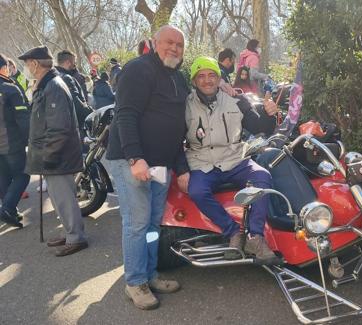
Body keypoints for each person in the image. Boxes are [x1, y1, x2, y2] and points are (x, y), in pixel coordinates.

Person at [106, 25, 188, 310]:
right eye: (169, 42)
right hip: (134, 162)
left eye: (179, 44)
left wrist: (181, 165)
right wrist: (135, 158)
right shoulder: (138, 69)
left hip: (161, 165)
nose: (174, 48)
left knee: (153, 223)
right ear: (155, 43)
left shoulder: (177, 77)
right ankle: (135, 282)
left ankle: (150, 274)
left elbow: (178, 127)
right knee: (137, 223)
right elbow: (125, 115)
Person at [178, 56, 279, 263]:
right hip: (202, 162)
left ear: (219, 78)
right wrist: (181, 170)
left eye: (212, 75)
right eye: (202, 76)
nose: (207, 80)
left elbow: (260, 128)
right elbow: (174, 140)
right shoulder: (184, 105)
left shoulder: (237, 100)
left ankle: (255, 236)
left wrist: (270, 114)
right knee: (196, 190)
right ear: (194, 81)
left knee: (262, 176)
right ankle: (233, 232)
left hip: (235, 159)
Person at [18, 45, 87, 256]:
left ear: (35, 64)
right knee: (59, 199)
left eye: (28, 64)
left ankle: (76, 238)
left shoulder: (54, 86)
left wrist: (48, 156)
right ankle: (69, 233)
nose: (27, 68)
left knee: (65, 198)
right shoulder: (47, 84)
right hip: (54, 155)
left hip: (59, 156)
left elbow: (59, 128)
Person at [0, 53, 30, 228]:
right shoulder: (10, 88)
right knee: (23, 174)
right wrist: (30, 140)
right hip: (11, 142)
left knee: (3, 177)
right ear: (4, 67)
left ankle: (10, 210)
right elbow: (23, 118)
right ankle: (8, 208)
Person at [56, 50, 93, 134]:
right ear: (68, 62)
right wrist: (92, 115)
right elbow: (76, 103)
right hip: (73, 126)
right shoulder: (67, 78)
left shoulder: (53, 77)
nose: (75, 65)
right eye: (74, 62)